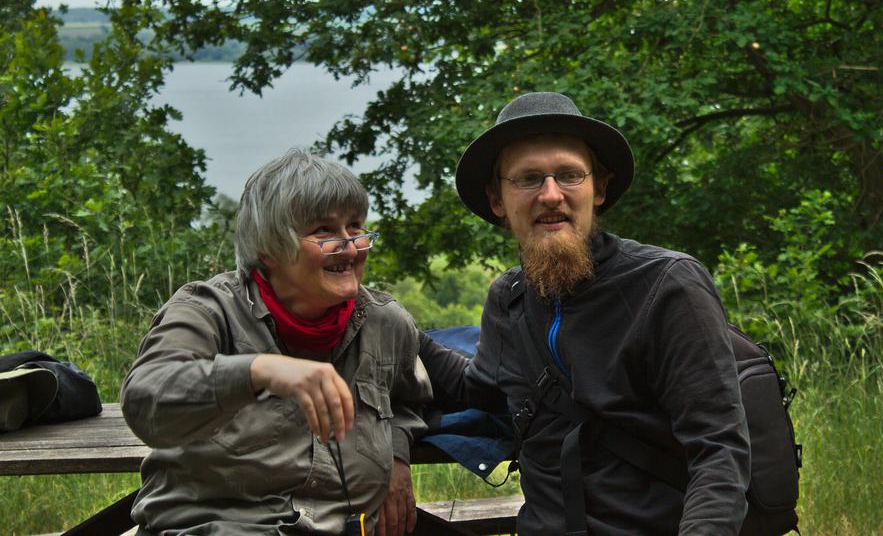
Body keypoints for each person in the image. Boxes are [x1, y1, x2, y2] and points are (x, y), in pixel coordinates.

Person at [419, 92, 750, 534]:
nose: (551, 195)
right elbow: (474, 388)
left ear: (601, 188)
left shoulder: (667, 285)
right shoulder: (509, 299)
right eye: (528, 179)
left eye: (570, 175)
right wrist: (383, 321)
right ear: (497, 199)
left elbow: (719, 451)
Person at [121, 150, 431, 536]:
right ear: (269, 248)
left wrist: (397, 458)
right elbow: (146, 400)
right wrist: (258, 371)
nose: (350, 246)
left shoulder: (386, 322)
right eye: (324, 231)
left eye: (355, 226)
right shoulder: (207, 310)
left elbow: (406, 400)